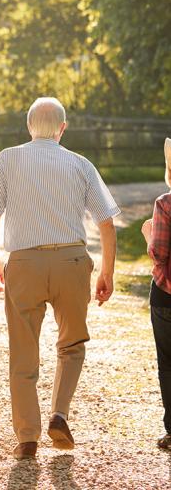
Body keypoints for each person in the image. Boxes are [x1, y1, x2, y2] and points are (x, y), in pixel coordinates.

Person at [0, 97, 120, 459]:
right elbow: (106, 222)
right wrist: (107, 271)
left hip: (24, 263)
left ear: (28, 127)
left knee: (23, 351)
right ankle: (59, 412)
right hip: (71, 260)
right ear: (62, 128)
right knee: (71, 345)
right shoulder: (80, 164)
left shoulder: (7, 158)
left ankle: (27, 436)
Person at [141, 137, 171, 450]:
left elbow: (159, 253)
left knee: (169, 363)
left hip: (167, 296)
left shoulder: (165, 203)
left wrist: (148, 233)